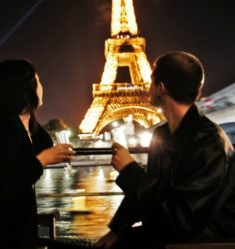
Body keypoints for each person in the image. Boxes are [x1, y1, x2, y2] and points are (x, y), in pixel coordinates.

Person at [96, 51, 235, 249]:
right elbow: (154, 192)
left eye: (151, 80)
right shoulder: (162, 134)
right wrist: (117, 229)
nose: (147, 85)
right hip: (174, 232)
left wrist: (130, 171)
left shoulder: (210, 142)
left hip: (207, 240)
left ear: (161, 88)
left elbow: (182, 218)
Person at [0, 59, 75, 249]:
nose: (42, 87)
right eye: (38, 81)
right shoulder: (4, 127)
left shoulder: (17, 125)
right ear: (26, 88)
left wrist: (28, 113)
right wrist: (42, 160)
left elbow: (44, 143)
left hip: (14, 234)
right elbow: (3, 190)